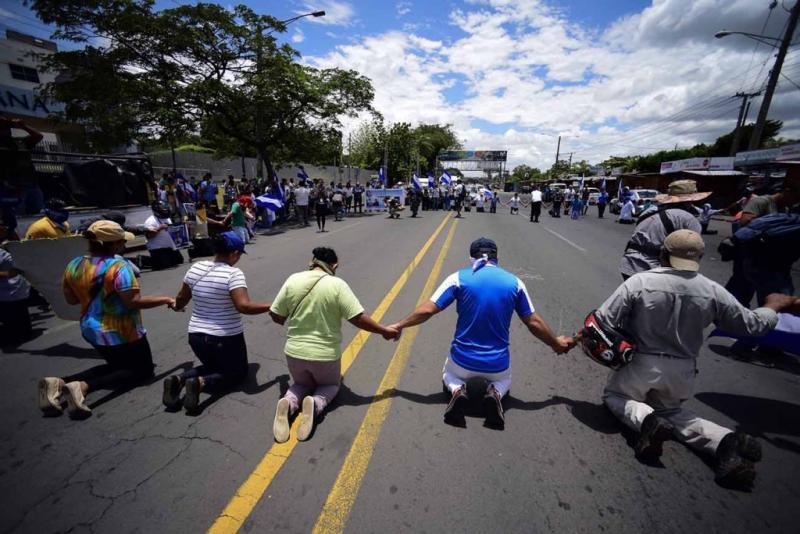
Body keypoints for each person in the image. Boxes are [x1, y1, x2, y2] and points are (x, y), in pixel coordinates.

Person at [594, 230, 796, 489]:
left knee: (615, 396)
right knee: (673, 413)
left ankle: (646, 421)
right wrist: (772, 307)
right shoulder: (712, 290)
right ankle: (725, 441)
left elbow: (604, 319)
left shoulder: (640, 282)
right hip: (682, 371)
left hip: (640, 363)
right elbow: (753, 325)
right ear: (698, 257)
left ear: (663, 254)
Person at [389, 238, 573, 429]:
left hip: (461, 361)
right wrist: (556, 343)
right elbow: (533, 322)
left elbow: (427, 310)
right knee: (505, 379)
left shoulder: (458, 278)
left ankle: (457, 389)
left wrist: (400, 325)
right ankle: (495, 392)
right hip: (497, 365)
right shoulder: (515, 283)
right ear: (496, 257)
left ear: (472, 257)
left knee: (448, 372)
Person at [38, 221, 174, 419]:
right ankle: (83, 386)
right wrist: (166, 299)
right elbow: (133, 301)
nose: (124, 245)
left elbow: (71, 300)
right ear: (113, 244)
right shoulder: (119, 267)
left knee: (118, 366)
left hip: (90, 329)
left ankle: (59, 382)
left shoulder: (74, 264)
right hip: (122, 331)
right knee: (143, 371)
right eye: (122, 241)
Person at [270, 247, 399, 442]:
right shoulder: (337, 285)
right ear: (334, 265)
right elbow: (358, 318)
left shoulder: (293, 279)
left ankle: (288, 403)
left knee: (301, 384)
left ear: (312, 262)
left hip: (294, 353)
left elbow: (276, 316)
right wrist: (384, 331)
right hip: (324, 355)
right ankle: (315, 403)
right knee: (330, 385)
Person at [163, 232, 271, 412]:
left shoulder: (196, 268)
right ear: (234, 253)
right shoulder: (233, 274)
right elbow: (243, 306)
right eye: (239, 255)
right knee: (237, 373)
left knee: (212, 366)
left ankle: (179, 380)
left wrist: (176, 306)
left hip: (196, 336)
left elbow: (181, 298)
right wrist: (273, 305)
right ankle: (200, 383)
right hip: (225, 338)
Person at [619, 180, 706, 280]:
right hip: (653, 270)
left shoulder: (649, 211)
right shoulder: (688, 219)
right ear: (690, 201)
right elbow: (694, 248)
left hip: (628, 263)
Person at [0, 225, 32, 345]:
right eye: (1, 226)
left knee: (25, 327)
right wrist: (8, 274)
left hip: (18, 292)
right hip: (7, 295)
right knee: (15, 329)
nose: (5, 228)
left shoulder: (8, 244)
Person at [144, 202, 184, 270]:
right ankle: (146, 261)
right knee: (165, 265)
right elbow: (148, 236)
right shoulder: (150, 221)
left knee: (180, 261)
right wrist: (160, 228)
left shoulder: (167, 218)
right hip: (158, 249)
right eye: (163, 211)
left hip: (169, 247)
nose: (165, 213)